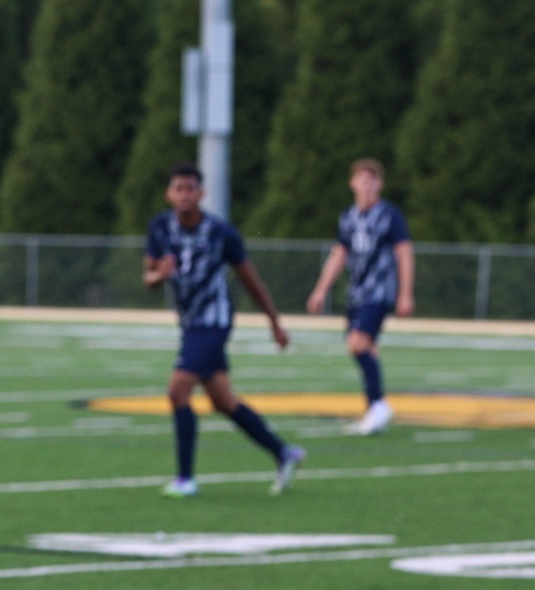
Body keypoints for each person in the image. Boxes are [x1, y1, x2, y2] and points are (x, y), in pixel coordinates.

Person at [142, 163, 303, 499]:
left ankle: (185, 478)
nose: (184, 195)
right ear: (168, 194)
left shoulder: (221, 232)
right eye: (178, 188)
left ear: (202, 193)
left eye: (190, 188)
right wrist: (159, 275)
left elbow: (249, 278)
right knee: (223, 401)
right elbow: (149, 279)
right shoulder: (160, 227)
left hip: (214, 322)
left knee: (177, 391)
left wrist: (274, 321)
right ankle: (282, 451)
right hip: (189, 325)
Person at [306, 157, 414, 435]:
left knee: (357, 343)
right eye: (361, 179)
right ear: (352, 183)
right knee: (366, 348)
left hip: (379, 291)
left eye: (372, 179)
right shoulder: (348, 217)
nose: (366, 185)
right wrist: (321, 289)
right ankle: (374, 410)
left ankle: (378, 405)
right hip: (356, 293)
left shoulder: (389, 215)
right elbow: (339, 254)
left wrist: (405, 293)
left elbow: (404, 253)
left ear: (380, 183)